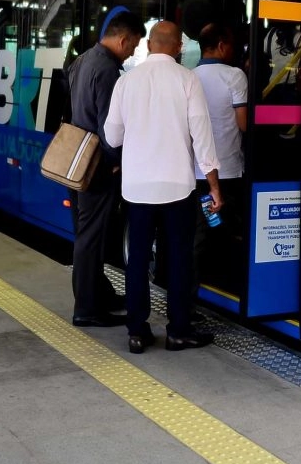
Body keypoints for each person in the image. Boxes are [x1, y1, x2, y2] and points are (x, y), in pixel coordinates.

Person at [104, 20, 222, 354]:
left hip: (138, 187)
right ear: (177, 48)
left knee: (138, 258)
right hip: (177, 188)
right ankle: (178, 331)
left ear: (150, 45)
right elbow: (202, 135)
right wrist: (214, 185)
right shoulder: (188, 80)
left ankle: (137, 332)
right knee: (179, 258)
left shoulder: (127, 82)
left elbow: (112, 136)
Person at [65, 10, 145, 327]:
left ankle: (98, 294)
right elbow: (110, 126)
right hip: (96, 165)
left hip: (76, 159)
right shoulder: (109, 70)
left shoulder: (82, 60)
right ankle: (87, 308)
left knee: (85, 234)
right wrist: (116, 163)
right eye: (133, 46)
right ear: (123, 39)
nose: (132, 52)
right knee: (91, 238)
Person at [192, 23, 248, 294]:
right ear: (223, 45)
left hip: (194, 171)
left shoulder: (188, 76)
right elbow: (244, 123)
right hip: (226, 170)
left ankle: (194, 289)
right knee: (217, 231)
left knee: (201, 230)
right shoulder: (235, 76)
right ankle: (209, 286)